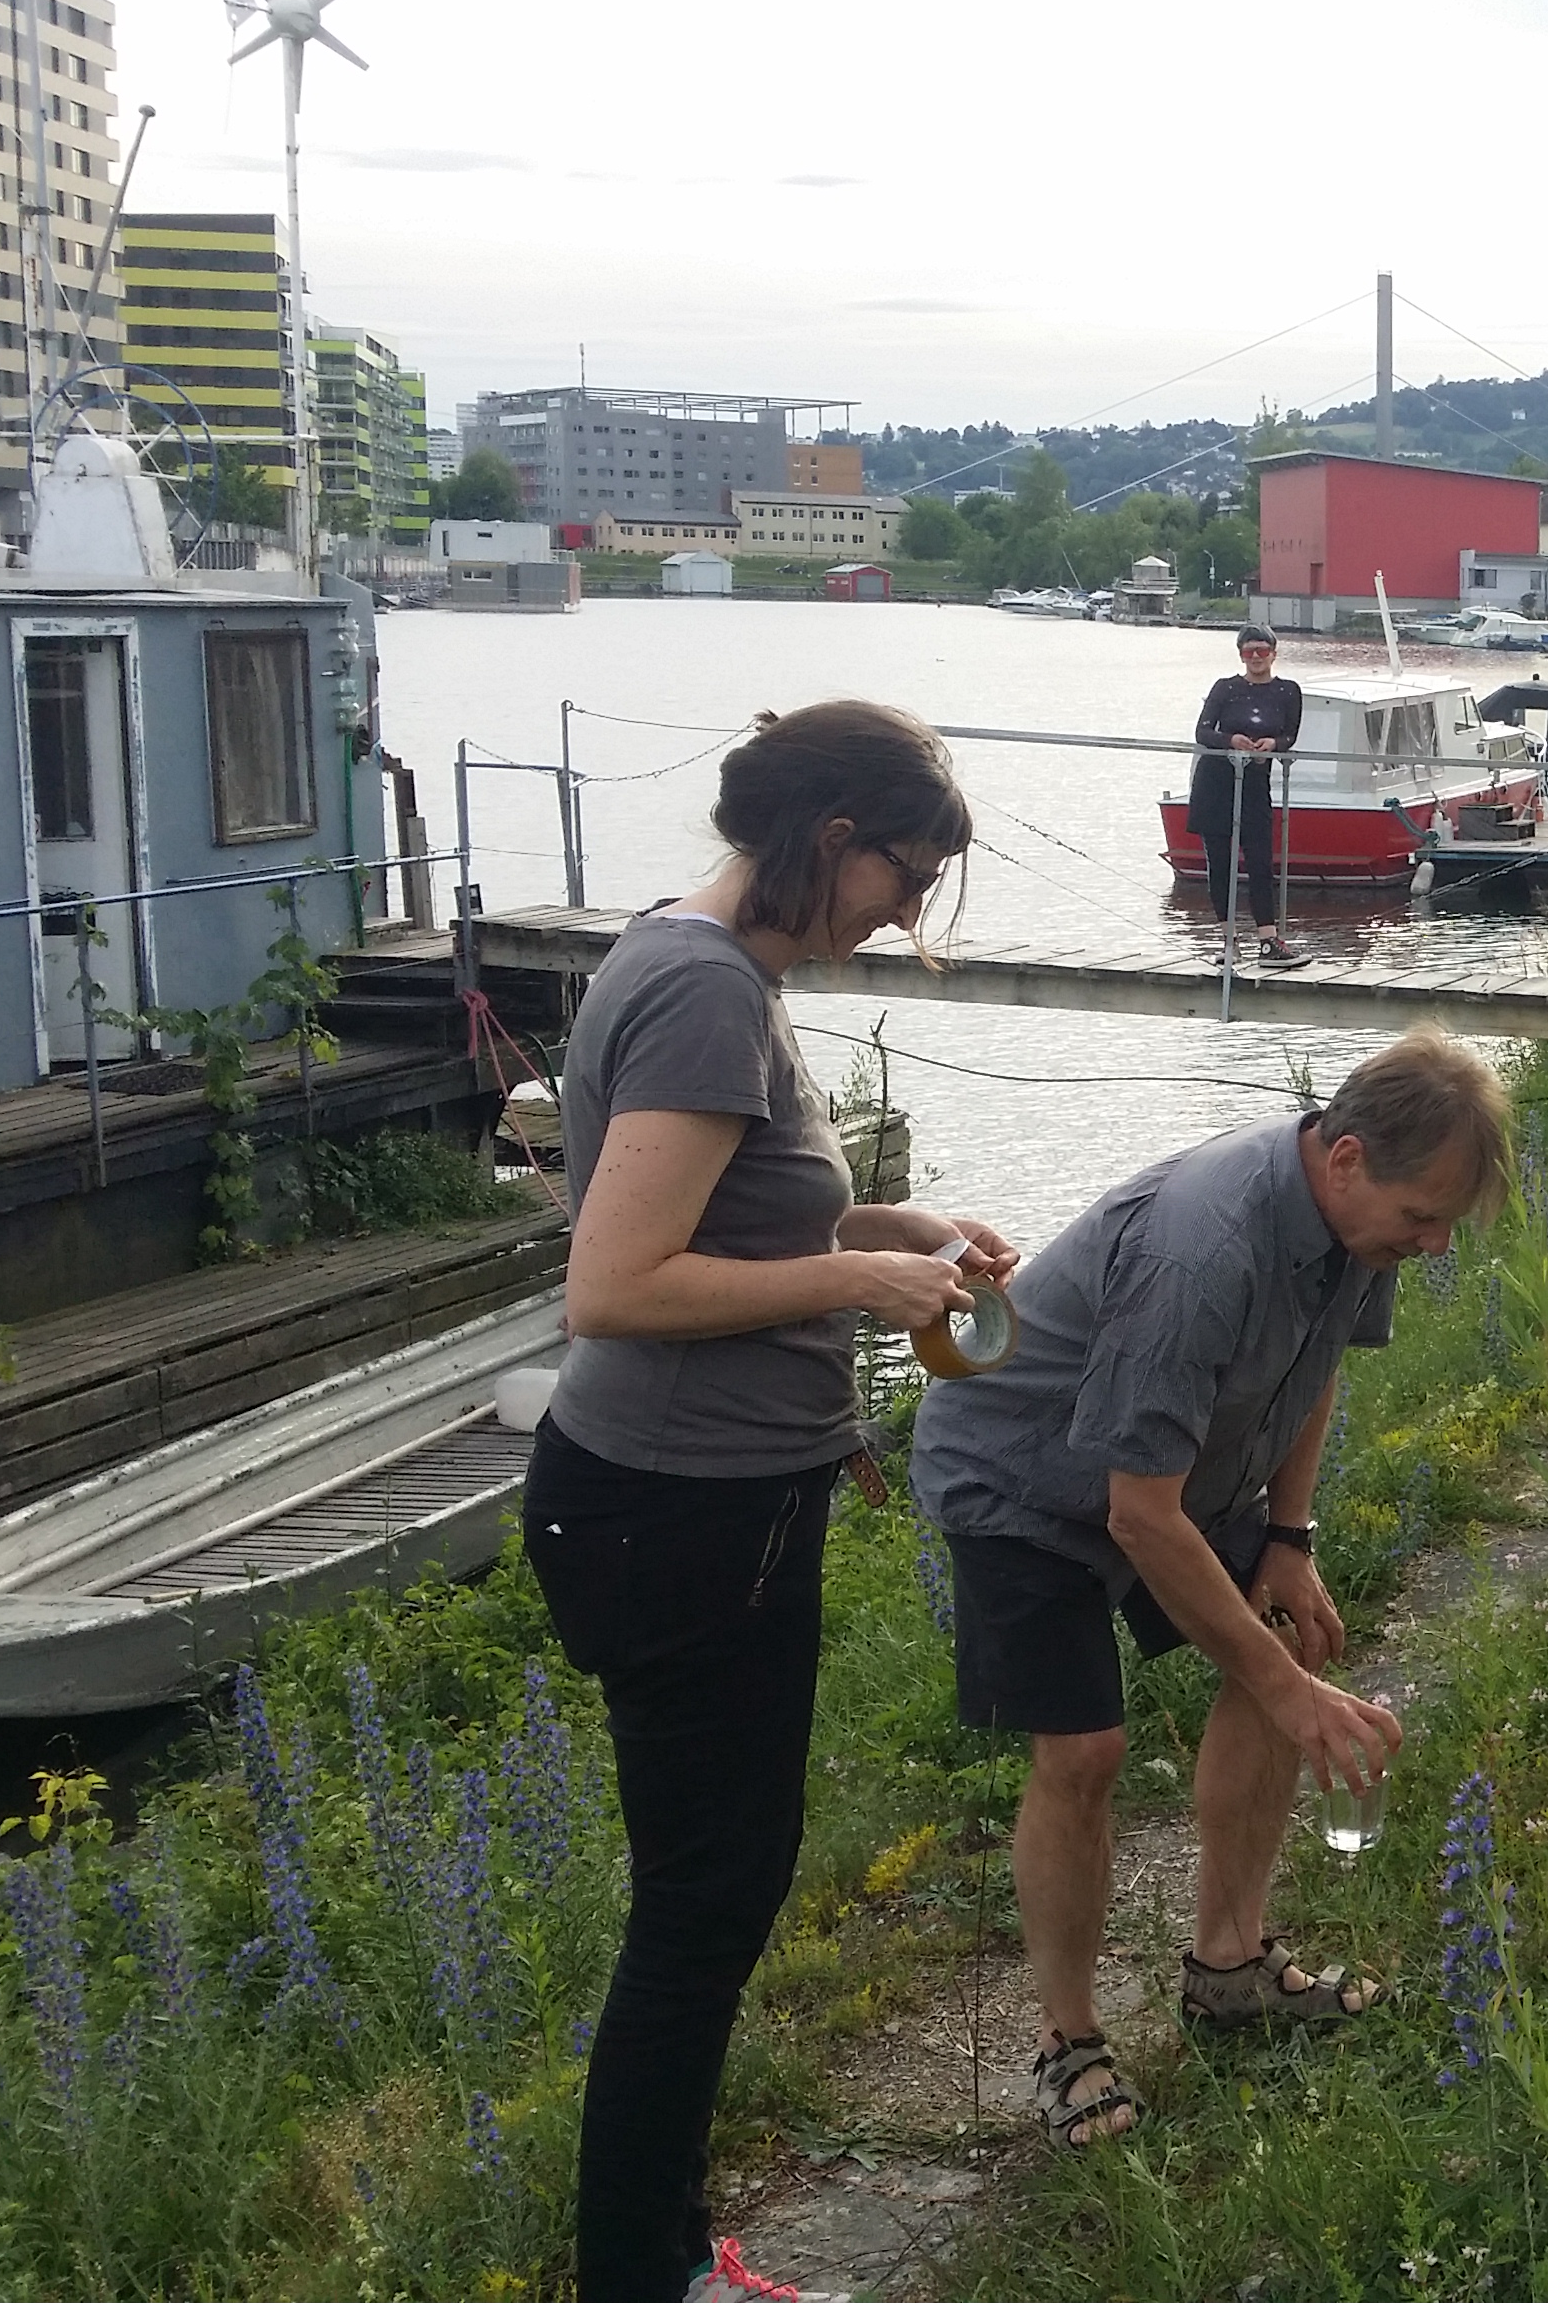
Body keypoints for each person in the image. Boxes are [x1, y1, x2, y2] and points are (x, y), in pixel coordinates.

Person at [524, 702, 992, 2303]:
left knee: (711, 1901)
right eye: (906, 876)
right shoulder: (707, 991)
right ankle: (646, 2282)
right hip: (676, 1516)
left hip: (694, 1508)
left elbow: (721, 1205)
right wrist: (862, 1274)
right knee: (700, 1916)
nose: (906, 913)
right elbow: (619, 1281)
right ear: (830, 836)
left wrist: (892, 1216)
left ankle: (660, 2259)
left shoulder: (708, 963)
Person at [910, 1032, 1501, 2146]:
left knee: (1291, 1637)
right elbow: (1139, 1512)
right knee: (1084, 1750)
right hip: (1024, 1476)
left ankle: (1228, 1968)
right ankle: (1068, 2043)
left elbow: (1311, 1372)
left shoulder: (1356, 1234)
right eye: (1423, 1215)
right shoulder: (1206, 1245)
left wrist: (1289, 1535)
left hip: (1180, 1467)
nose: (1431, 1245)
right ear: (1346, 1158)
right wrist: (1280, 1691)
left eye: (1445, 1226)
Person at [1189, 626, 1306, 952]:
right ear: (1240, 654)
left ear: (1273, 653)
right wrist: (1230, 741)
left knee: (1259, 859)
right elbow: (1202, 731)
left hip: (1255, 781)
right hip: (1215, 781)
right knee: (1220, 861)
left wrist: (1273, 744)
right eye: (1248, 651)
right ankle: (1229, 940)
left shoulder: (1287, 691)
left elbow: (1290, 736)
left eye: (1262, 650)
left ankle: (1267, 938)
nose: (1255, 657)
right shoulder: (1225, 688)